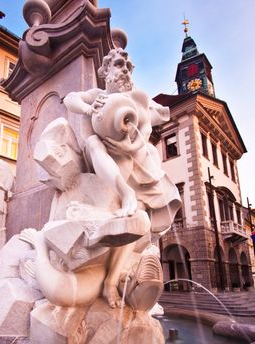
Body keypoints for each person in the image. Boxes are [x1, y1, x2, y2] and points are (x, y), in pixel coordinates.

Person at [64, 48, 180, 307]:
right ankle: (125, 194)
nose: (125, 69)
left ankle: (110, 281)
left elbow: (149, 125)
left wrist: (128, 144)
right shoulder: (98, 95)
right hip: (98, 161)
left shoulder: (136, 100)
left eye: (128, 66)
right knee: (93, 142)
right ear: (105, 71)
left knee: (136, 219)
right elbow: (70, 98)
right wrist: (87, 107)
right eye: (119, 64)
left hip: (127, 161)